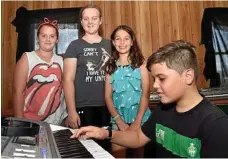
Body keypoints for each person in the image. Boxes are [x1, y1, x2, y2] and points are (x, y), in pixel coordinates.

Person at [71, 40, 228, 158]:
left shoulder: (215, 124)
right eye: (154, 79)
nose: (155, 85)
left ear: (188, 76)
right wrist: (105, 133)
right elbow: (139, 137)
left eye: (161, 78)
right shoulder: (164, 109)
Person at [63, 4, 111, 150]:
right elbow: (67, 80)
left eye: (94, 18)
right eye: (86, 19)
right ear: (82, 22)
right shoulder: (74, 46)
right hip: (83, 106)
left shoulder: (111, 45)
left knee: (105, 150)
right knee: (85, 150)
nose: (90, 22)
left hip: (108, 107)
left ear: (100, 20)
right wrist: (71, 111)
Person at [104, 25, 151, 158]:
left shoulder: (141, 64)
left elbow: (145, 93)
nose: (122, 42)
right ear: (113, 42)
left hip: (140, 119)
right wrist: (118, 121)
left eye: (126, 39)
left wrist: (137, 122)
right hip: (118, 119)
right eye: (118, 39)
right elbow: (107, 97)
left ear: (132, 41)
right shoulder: (110, 67)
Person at [13, 17, 67, 125]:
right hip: (31, 123)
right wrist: (20, 122)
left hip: (58, 123)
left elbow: (66, 90)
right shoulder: (27, 58)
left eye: (52, 36)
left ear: (57, 39)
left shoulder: (62, 61)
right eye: (44, 36)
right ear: (38, 37)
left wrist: (67, 117)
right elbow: (18, 92)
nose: (48, 39)